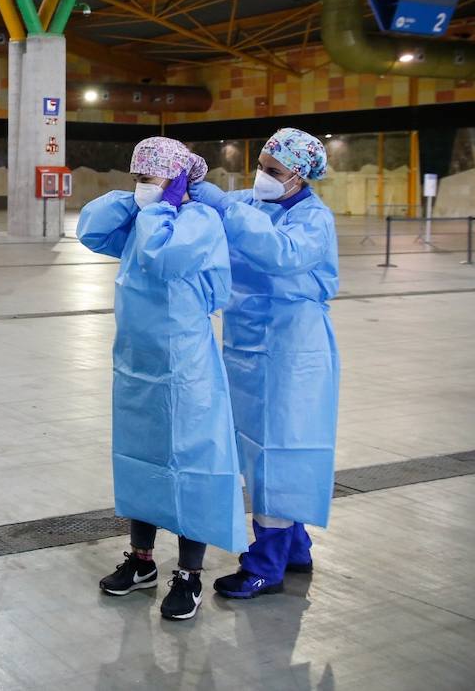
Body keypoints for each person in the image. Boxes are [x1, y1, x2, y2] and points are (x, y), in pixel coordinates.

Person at [77, 136, 246, 622]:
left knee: (190, 462)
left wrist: (159, 210)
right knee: (143, 459)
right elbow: (91, 230)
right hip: (138, 363)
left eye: (148, 179)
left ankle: (189, 572)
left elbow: (161, 257)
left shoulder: (198, 221)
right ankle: (142, 559)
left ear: (175, 181)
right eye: (136, 179)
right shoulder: (144, 216)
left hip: (185, 367)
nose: (141, 188)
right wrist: (136, 201)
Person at [190, 128, 339, 600]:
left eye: (273, 171)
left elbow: (282, 253)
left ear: (299, 175)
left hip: (293, 349)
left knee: (280, 448)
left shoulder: (314, 218)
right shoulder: (252, 204)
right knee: (255, 449)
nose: (262, 177)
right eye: (261, 166)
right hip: (247, 342)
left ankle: (265, 565)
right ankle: (294, 545)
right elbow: (220, 218)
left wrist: (226, 207)